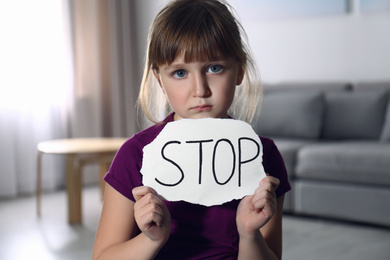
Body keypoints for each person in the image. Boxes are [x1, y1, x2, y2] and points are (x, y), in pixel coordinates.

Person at [92, 0, 290, 259]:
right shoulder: (135, 155)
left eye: (214, 68)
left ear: (239, 70)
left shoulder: (262, 156)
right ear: (159, 79)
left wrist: (248, 234)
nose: (200, 90)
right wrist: (151, 240)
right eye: (180, 73)